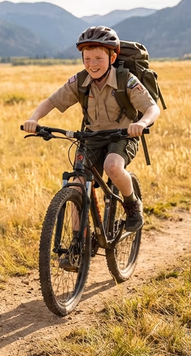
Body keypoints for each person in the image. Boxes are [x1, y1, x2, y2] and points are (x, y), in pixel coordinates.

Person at [22, 26, 160, 268]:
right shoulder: (81, 81)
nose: (93, 64)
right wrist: (34, 119)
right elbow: (51, 101)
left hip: (122, 135)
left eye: (98, 58)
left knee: (113, 166)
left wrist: (141, 123)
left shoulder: (125, 79)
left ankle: (132, 204)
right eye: (87, 59)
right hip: (92, 137)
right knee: (77, 182)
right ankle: (78, 244)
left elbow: (152, 108)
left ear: (112, 57)